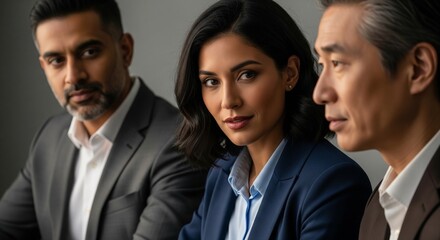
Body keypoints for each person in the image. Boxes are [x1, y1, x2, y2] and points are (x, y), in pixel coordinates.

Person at [0, 0, 207, 239]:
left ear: (125, 50)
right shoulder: (49, 137)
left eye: (89, 52)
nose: (73, 76)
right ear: (43, 66)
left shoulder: (179, 142)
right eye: (56, 60)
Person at [174, 0, 372, 239]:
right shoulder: (222, 174)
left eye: (246, 75)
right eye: (211, 81)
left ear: (290, 73)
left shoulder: (333, 184)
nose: (228, 101)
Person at [313, 0, 440, 239]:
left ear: (418, 68)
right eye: (322, 65)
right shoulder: (377, 206)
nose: (319, 94)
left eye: (337, 64)